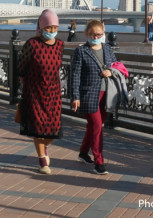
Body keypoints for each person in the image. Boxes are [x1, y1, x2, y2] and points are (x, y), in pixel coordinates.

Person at [70, 19, 119, 175]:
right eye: (92, 34)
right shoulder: (81, 51)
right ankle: (99, 162)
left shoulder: (108, 48)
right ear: (87, 34)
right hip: (88, 95)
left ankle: (83, 152)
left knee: (94, 126)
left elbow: (116, 66)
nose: (95, 37)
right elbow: (75, 75)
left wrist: (111, 72)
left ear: (103, 33)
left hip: (106, 93)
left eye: (98, 34)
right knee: (97, 126)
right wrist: (75, 97)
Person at [18, 9, 64, 175]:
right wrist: (26, 87)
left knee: (53, 128)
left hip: (54, 92)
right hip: (35, 92)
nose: (52, 31)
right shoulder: (32, 44)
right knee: (38, 127)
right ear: (41, 27)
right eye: (48, 27)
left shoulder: (60, 45)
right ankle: (42, 160)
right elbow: (21, 68)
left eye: (55, 27)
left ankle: (44, 147)